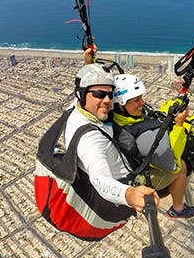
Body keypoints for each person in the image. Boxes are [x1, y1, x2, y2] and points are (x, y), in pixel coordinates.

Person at [64, 49, 158, 215]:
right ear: (83, 95)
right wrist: (128, 194)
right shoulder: (89, 140)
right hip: (127, 179)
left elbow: (87, 86)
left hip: (121, 159)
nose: (107, 100)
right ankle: (178, 208)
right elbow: (100, 180)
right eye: (100, 94)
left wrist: (89, 65)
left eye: (110, 93)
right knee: (180, 169)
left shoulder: (77, 107)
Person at [112, 74, 194, 219]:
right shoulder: (142, 137)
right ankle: (178, 209)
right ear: (121, 104)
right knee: (182, 166)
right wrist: (178, 125)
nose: (142, 102)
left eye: (141, 97)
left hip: (130, 165)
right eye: (136, 100)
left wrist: (90, 60)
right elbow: (171, 164)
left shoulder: (114, 115)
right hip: (141, 180)